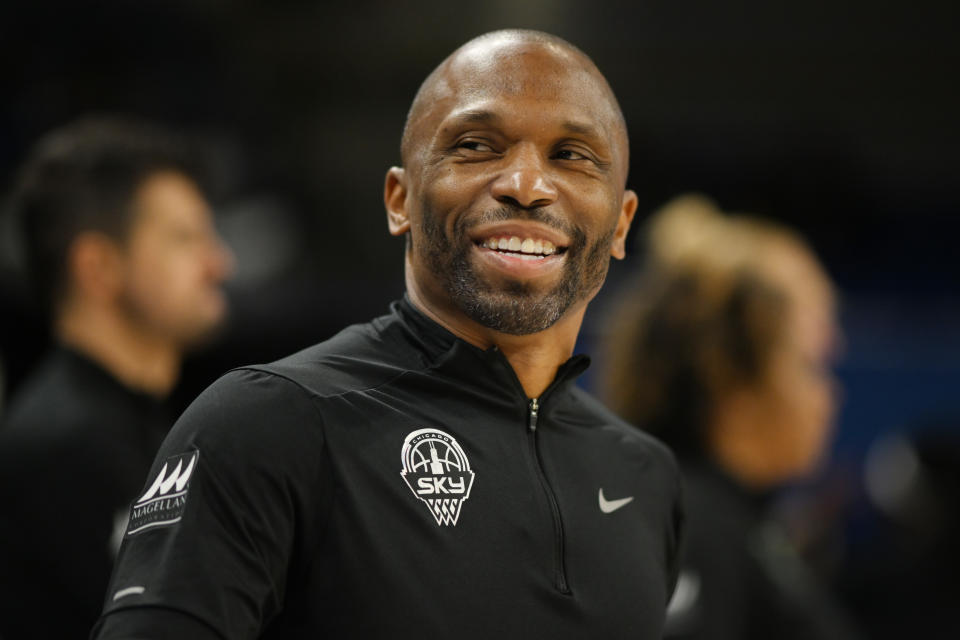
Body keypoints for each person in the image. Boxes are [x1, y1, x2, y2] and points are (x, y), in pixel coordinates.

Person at [92, 30, 684, 639]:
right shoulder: (264, 423)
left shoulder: (646, 477)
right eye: (477, 145)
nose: (527, 184)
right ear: (400, 200)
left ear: (621, 223)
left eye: (572, 155)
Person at [0, 117, 234, 639]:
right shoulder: (63, 447)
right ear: (98, 267)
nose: (220, 263)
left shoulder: (136, 423)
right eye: (185, 238)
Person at [602, 195, 861, 639]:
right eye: (812, 364)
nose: (831, 394)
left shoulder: (737, 525)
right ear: (731, 374)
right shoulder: (687, 530)